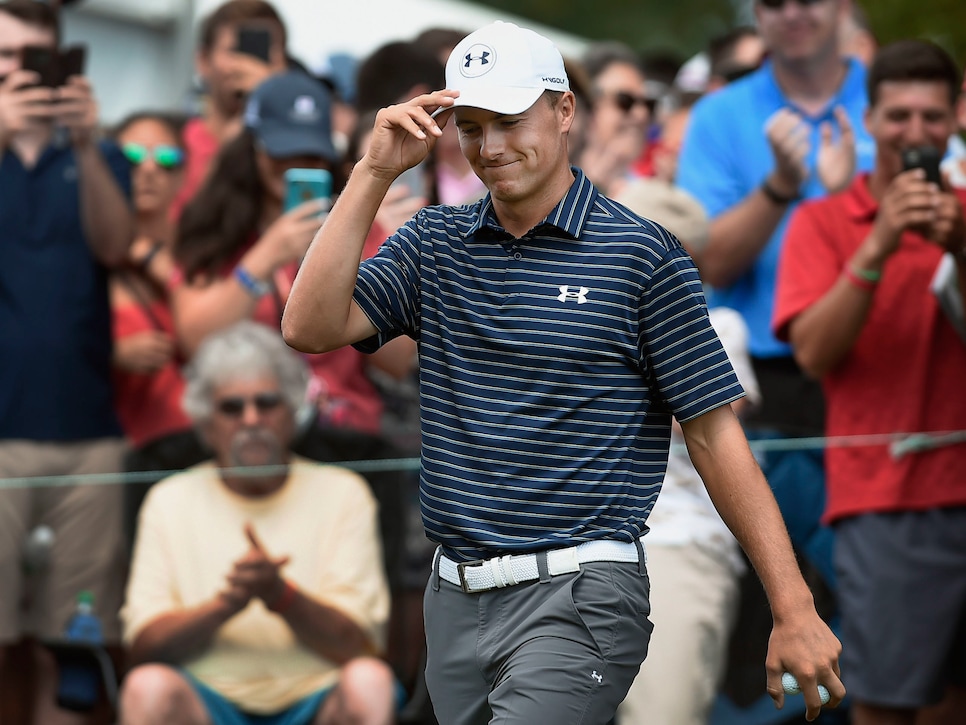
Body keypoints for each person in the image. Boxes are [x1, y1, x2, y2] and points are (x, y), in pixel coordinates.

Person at [282, 20, 844, 725]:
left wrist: (793, 607)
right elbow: (308, 326)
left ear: (564, 110)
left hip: (583, 590)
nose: (490, 148)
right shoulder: (433, 240)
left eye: (510, 122)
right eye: (472, 127)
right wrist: (371, 173)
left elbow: (711, 433)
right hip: (453, 594)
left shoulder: (642, 253)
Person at [773, 39, 966, 725]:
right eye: (899, 116)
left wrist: (960, 246)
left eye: (932, 116)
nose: (916, 133)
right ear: (872, 117)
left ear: (956, 118)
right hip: (885, 500)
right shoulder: (823, 222)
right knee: (886, 703)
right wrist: (879, 244)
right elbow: (815, 354)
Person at [677, 0, 875, 598]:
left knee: (878, 591)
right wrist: (780, 187)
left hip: (874, 372)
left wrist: (842, 209)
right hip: (761, 384)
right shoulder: (719, 114)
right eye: (772, 2)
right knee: (769, 593)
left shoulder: (893, 100)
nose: (791, 13)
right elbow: (705, 259)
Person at [118, 320, 395, 725]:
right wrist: (227, 604)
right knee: (147, 687)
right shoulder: (168, 499)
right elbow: (142, 649)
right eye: (231, 407)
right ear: (205, 422)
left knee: (370, 681)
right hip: (206, 702)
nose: (250, 419)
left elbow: (361, 646)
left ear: (293, 410)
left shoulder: (344, 492)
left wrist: (280, 595)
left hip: (315, 700)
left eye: (266, 403)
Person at [0, 2, 133, 723]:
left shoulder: (96, 151)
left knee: (74, 651)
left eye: (33, 56)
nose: (18, 70)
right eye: (5, 54)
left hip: (86, 431)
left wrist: (85, 146)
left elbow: (115, 247)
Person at [616, 308, 759, 725]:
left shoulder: (720, 322)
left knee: (662, 716)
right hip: (540, 538)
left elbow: (703, 416)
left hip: (670, 538)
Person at [110, 111, 208, 546]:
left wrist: (156, 262)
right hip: (122, 458)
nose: (148, 168)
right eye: (131, 156)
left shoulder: (203, 256)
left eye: (165, 157)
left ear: (184, 172)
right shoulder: (88, 256)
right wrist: (113, 353)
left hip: (200, 453)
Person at [170, 0, 288, 218]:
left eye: (264, 50)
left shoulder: (297, 150)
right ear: (203, 61)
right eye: (236, 50)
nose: (250, 64)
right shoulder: (173, 145)